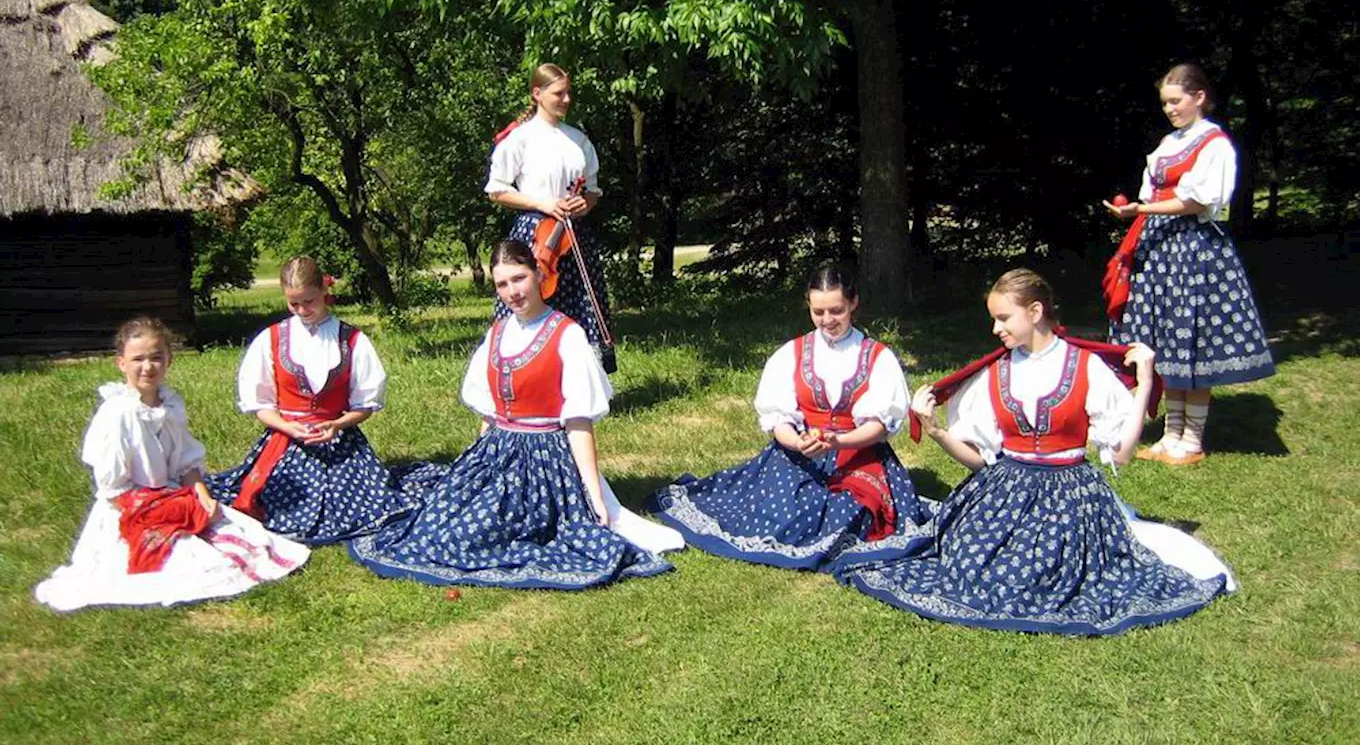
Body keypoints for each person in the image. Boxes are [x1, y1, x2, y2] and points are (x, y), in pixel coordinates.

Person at [841, 270, 1234, 636]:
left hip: (1069, 495)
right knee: (969, 566)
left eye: (1003, 318)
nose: (996, 329)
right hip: (1003, 492)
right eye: (994, 319)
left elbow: (1123, 453)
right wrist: (937, 430)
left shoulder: (1084, 366)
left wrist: (1145, 383)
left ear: (1035, 311)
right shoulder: (996, 373)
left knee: (1036, 575)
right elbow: (980, 462)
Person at [346, 240, 679, 590]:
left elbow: (579, 422)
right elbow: (490, 414)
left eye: (519, 279)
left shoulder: (568, 336)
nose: (512, 292)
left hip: (545, 460)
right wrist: (473, 469)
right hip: (497, 450)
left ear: (539, 274)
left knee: (483, 535)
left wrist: (595, 494)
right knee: (439, 526)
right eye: (502, 284)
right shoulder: (497, 333)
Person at [647, 265, 935, 573]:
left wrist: (838, 441)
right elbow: (778, 421)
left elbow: (879, 428)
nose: (827, 321)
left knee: (850, 515)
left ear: (854, 303)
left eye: (836, 311)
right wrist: (797, 442)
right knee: (783, 516)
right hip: (798, 454)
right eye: (818, 311)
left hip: (860, 455)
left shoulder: (878, 357)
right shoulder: (791, 353)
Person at [34, 317, 308, 612]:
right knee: (196, 563)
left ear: (169, 360)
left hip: (171, 494)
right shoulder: (118, 414)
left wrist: (202, 497)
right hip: (132, 507)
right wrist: (161, 507)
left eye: (156, 357)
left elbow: (186, 464)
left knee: (247, 538)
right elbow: (113, 488)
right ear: (121, 363)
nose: (148, 367)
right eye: (138, 359)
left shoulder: (170, 406)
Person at [1102, 63, 1276, 465]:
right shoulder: (1168, 143)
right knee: (1166, 342)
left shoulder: (1215, 144)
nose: (1170, 109)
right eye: (1165, 103)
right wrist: (1141, 213)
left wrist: (1143, 209)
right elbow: (1154, 189)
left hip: (1195, 250)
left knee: (1191, 340)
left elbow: (1199, 201)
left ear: (1199, 97)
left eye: (1176, 101)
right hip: (1160, 249)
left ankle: (1192, 439)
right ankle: (1170, 434)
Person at [207, 257, 441, 544]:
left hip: (340, 440)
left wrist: (337, 425)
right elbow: (260, 404)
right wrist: (290, 428)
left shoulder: (352, 339)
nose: (303, 310)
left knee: (360, 504)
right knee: (279, 504)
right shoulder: (271, 339)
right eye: (294, 304)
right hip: (286, 442)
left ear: (323, 291)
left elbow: (364, 405)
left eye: (309, 301)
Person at [485, 63, 617, 372]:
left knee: (584, 300)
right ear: (537, 94)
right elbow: (496, 190)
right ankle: (523, 373)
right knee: (529, 296)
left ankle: (582, 379)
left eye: (569, 92)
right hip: (536, 231)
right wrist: (544, 203)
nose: (567, 99)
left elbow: (593, 190)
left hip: (574, 235)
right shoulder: (519, 139)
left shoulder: (578, 140)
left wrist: (583, 205)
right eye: (559, 93)